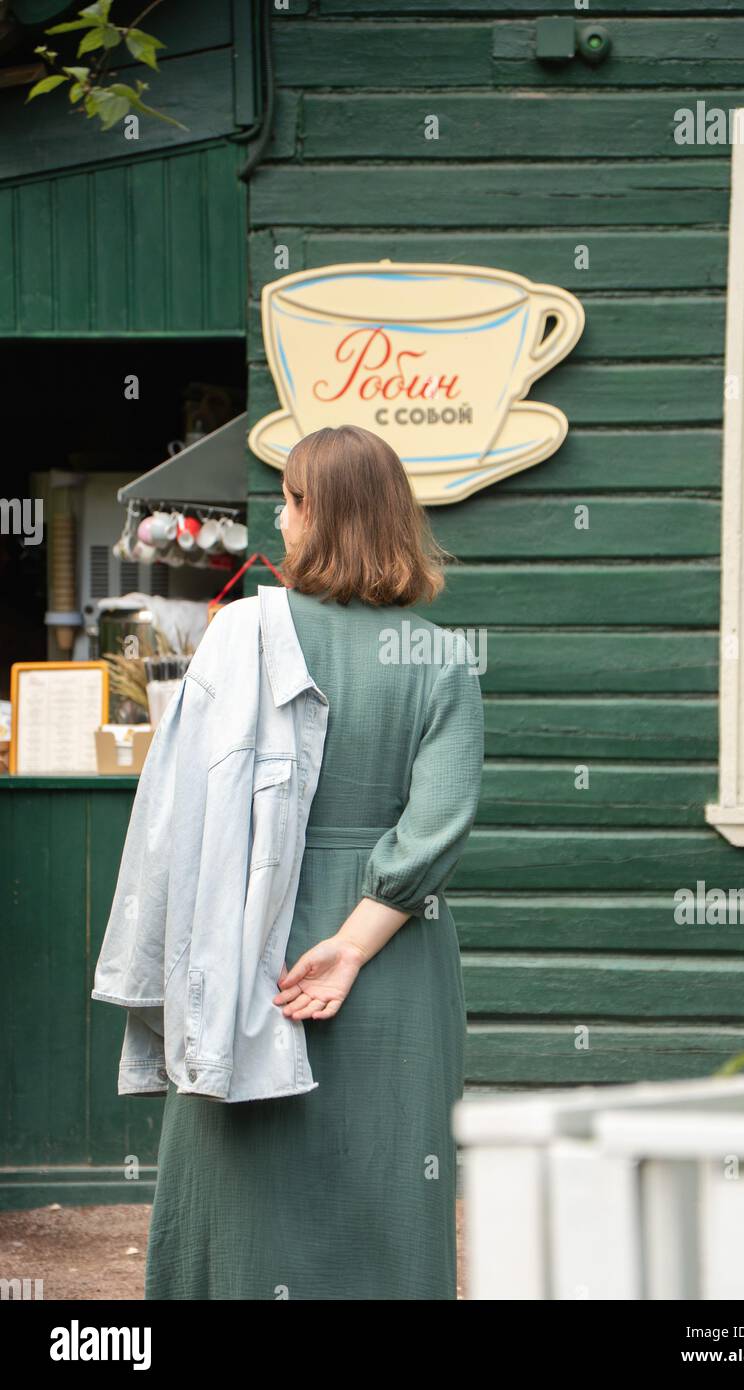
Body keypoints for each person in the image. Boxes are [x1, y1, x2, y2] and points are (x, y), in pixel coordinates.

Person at [144, 423, 485, 1300]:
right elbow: (440, 825)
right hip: (394, 948)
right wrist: (357, 945)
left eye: (291, 502)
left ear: (313, 513)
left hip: (256, 924)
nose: (284, 524)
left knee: (241, 1172)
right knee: (390, 1178)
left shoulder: (243, 632)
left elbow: (185, 810)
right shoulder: (442, 657)